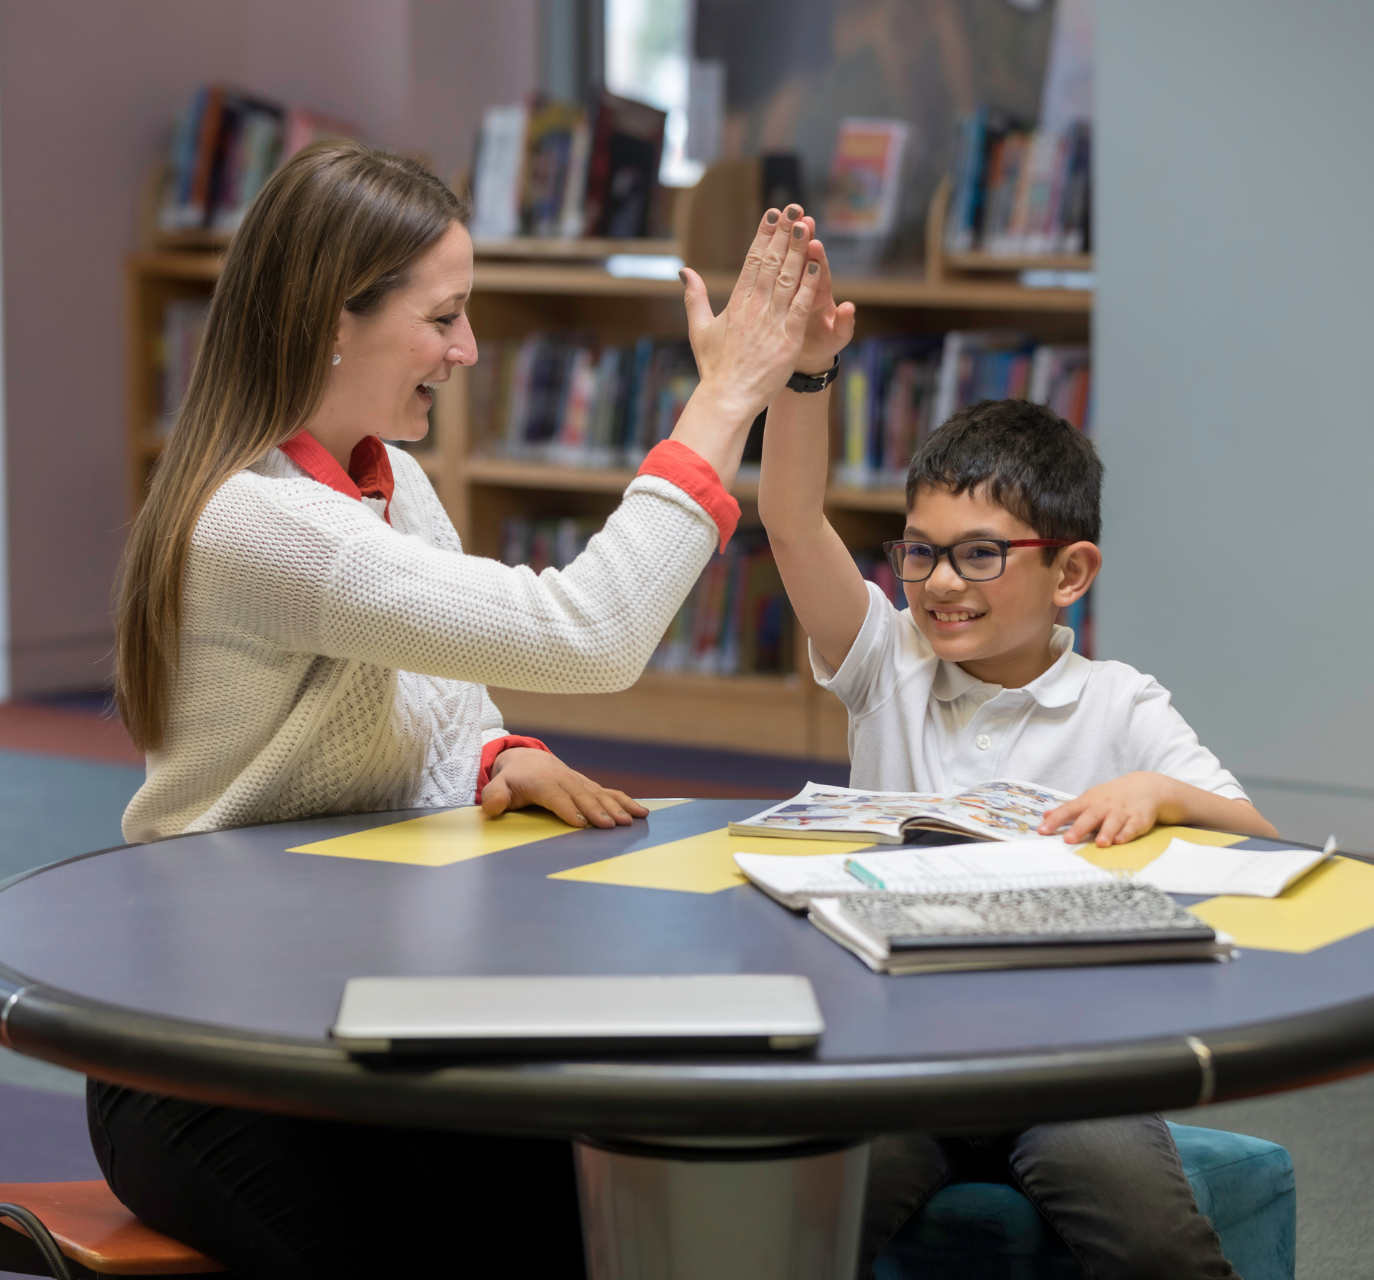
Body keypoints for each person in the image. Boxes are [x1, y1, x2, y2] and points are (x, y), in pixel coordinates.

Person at [98, 139, 829, 1278]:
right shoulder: (263, 522)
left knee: (596, 1210)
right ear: (335, 318)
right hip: (211, 1053)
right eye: (444, 316)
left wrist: (494, 747)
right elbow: (590, 631)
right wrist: (725, 396)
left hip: (350, 1008)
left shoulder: (388, 474)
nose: (469, 348)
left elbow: (439, 692)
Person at [756, 229, 1278, 1278]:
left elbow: (1262, 841)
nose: (940, 582)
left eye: (981, 554)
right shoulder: (883, 657)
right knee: (798, 1222)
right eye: (921, 551)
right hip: (897, 1049)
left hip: (1067, 1057)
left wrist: (1161, 790)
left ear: (1070, 572)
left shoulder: (1120, 702)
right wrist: (807, 371)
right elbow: (788, 512)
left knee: (1151, 1236)